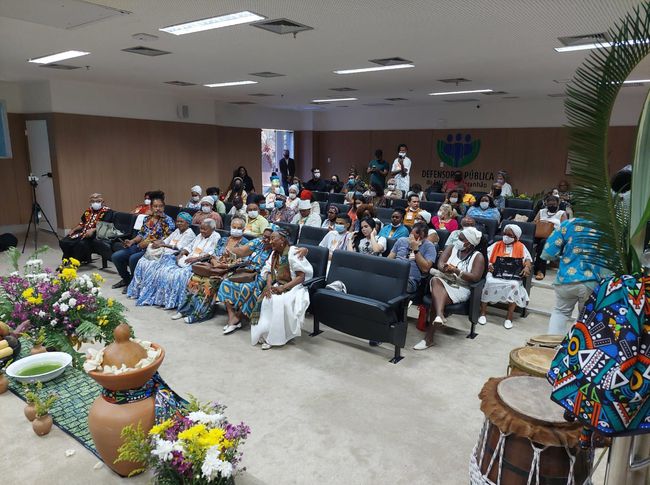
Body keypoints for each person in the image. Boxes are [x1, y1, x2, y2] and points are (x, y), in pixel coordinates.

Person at [414, 227, 485, 350]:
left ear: (469, 243)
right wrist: (445, 268)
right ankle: (440, 315)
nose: (458, 240)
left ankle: (429, 338)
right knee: (435, 280)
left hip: (461, 287)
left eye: (461, 239)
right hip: (443, 280)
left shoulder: (478, 257)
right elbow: (440, 264)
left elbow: (475, 277)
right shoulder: (452, 247)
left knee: (436, 299)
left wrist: (457, 271)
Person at [173, 216, 250, 324]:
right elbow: (214, 255)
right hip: (215, 267)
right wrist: (215, 263)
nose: (235, 229)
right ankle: (185, 310)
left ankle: (200, 314)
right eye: (233, 227)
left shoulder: (246, 243)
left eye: (238, 228)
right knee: (195, 278)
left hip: (230, 270)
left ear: (243, 229)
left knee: (209, 282)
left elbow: (243, 261)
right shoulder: (223, 240)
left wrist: (225, 266)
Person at [136, 219, 221, 309]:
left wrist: (196, 259)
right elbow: (189, 247)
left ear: (213, 229)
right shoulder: (200, 235)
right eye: (201, 228)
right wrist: (181, 254)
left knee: (176, 276)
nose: (202, 231)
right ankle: (162, 300)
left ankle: (175, 302)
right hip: (187, 259)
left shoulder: (216, 237)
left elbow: (212, 253)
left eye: (204, 229)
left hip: (199, 263)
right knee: (163, 271)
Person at [249, 230, 313, 350]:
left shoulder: (293, 252)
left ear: (282, 240)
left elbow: (301, 277)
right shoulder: (274, 254)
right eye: (270, 239)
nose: (270, 241)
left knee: (278, 301)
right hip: (279, 283)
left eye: (273, 239)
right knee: (266, 299)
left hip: (295, 286)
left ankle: (275, 337)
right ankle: (265, 332)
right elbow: (268, 271)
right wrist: (269, 286)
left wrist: (283, 288)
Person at [541, 218, 606, 334]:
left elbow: (549, 251)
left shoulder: (568, 224)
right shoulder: (604, 227)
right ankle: (576, 344)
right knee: (585, 318)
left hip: (565, 279)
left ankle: (551, 342)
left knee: (560, 312)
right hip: (591, 282)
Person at [126, 212, 197, 301]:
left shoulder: (189, 234)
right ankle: (138, 290)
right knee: (142, 262)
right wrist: (158, 243)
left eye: (181, 222)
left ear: (188, 223)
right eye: (177, 221)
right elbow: (166, 240)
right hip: (164, 253)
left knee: (152, 267)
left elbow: (180, 247)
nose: (179, 223)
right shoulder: (177, 231)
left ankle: (152, 294)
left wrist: (163, 245)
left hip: (173, 256)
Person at [112, 192, 175, 291]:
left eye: (160, 206)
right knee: (116, 256)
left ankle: (134, 284)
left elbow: (167, 239)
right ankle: (127, 279)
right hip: (139, 246)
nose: (158, 209)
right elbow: (141, 234)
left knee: (133, 259)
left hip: (153, 250)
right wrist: (132, 241)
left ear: (164, 207)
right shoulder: (147, 218)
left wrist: (149, 243)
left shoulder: (168, 221)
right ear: (151, 207)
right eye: (155, 206)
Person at [218, 228, 274, 334]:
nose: (265, 239)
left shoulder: (275, 249)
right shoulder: (258, 242)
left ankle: (238, 317)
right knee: (226, 282)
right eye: (264, 236)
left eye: (269, 238)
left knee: (250, 289)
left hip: (262, 275)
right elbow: (241, 250)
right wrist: (230, 251)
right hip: (247, 271)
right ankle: (232, 316)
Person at [478, 224, 532, 329]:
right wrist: (489, 265)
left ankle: (509, 316)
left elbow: (528, 259)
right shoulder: (497, 244)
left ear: (516, 237)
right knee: (489, 282)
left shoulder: (521, 246)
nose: (506, 237)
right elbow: (485, 257)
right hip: (495, 272)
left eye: (509, 235)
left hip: (513, 274)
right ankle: (483, 313)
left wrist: (527, 267)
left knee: (514, 284)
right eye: (505, 234)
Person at [59, 193, 111, 264]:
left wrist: (93, 230)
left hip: (96, 235)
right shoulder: (88, 210)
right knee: (64, 241)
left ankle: (76, 262)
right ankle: (68, 258)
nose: (95, 203)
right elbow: (82, 223)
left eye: (98, 201)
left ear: (103, 202)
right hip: (83, 232)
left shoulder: (107, 212)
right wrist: (73, 230)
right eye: (93, 201)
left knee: (80, 244)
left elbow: (106, 226)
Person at [388, 222, 437, 294]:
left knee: (391, 286)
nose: (415, 240)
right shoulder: (401, 240)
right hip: (394, 275)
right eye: (413, 235)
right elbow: (389, 260)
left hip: (409, 280)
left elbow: (425, 269)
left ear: (425, 237)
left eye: (419, 238)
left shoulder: (429, 247)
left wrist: (415, 249)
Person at [533, 194, 567, 280]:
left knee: (543, 243)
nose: (552, 206)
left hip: (554, 237)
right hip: (539, 234)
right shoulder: (541, 211)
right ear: (546, 204)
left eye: (554, 204)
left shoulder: (561, 213)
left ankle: (540, 271)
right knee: (530, 241)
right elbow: (534, 222)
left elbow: (565, 228)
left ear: (557, 204)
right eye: (550, 204)